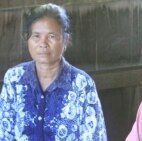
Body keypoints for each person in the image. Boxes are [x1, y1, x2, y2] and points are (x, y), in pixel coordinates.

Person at [0, 3, 107, 141]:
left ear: (66, 40)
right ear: (27, 38)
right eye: (36, 36)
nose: (43, 43)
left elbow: (95, 137)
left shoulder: (82, 84)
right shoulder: (14, 78)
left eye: (51, 36)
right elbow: (4, 134)